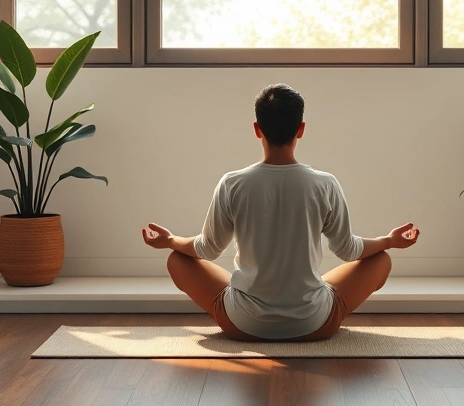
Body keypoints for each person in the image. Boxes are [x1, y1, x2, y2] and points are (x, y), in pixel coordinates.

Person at [141, 83, 420, 342]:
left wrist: (170, 241)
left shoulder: (232, 184)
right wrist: (389, 241)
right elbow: (348, 250)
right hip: (314, 325)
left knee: (177, 260)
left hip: (242, 326)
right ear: (301, 129)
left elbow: (207, 249)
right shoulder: (324, 183)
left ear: (256, 128)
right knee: (380, 260)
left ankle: (251, 305)